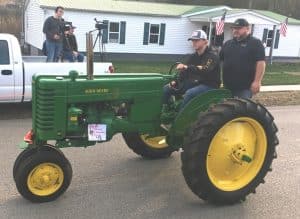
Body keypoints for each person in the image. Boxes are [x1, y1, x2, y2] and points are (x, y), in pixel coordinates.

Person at [162, 30, 221, 110]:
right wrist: (176, 81)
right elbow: (184, 72)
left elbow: (204, 69)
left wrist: (187, 67)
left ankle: (180, 119)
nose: (194, 43)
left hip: (209, 85)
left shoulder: (212, 56)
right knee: (167, 88)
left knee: (190, 93)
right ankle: (166, 112)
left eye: (196, 40)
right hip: (196, 82)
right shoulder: (193, 56)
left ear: (205, 41)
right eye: (192, 40)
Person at [220, 18, 266, 98]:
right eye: (234, 28)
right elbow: (220, 61)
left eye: (239, 28)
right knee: (227, 109)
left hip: (245, 88)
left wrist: (257, 82)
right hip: (227, 86)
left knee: (241, 109)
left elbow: (261, 63)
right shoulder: (228, 44)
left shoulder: (255, 43)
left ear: (248, 28)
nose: (235, 30)